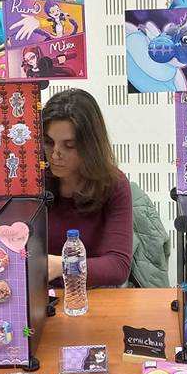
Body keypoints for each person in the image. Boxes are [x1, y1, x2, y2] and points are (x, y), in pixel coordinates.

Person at [43, 89, 132, 287]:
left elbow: (118, 266)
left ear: (90, 146)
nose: (55, 154)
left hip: (90, 294)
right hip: (37, 295)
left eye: (69, 145)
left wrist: (63, 266)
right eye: (48, 142)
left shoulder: (114, 185)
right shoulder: (31, 181)